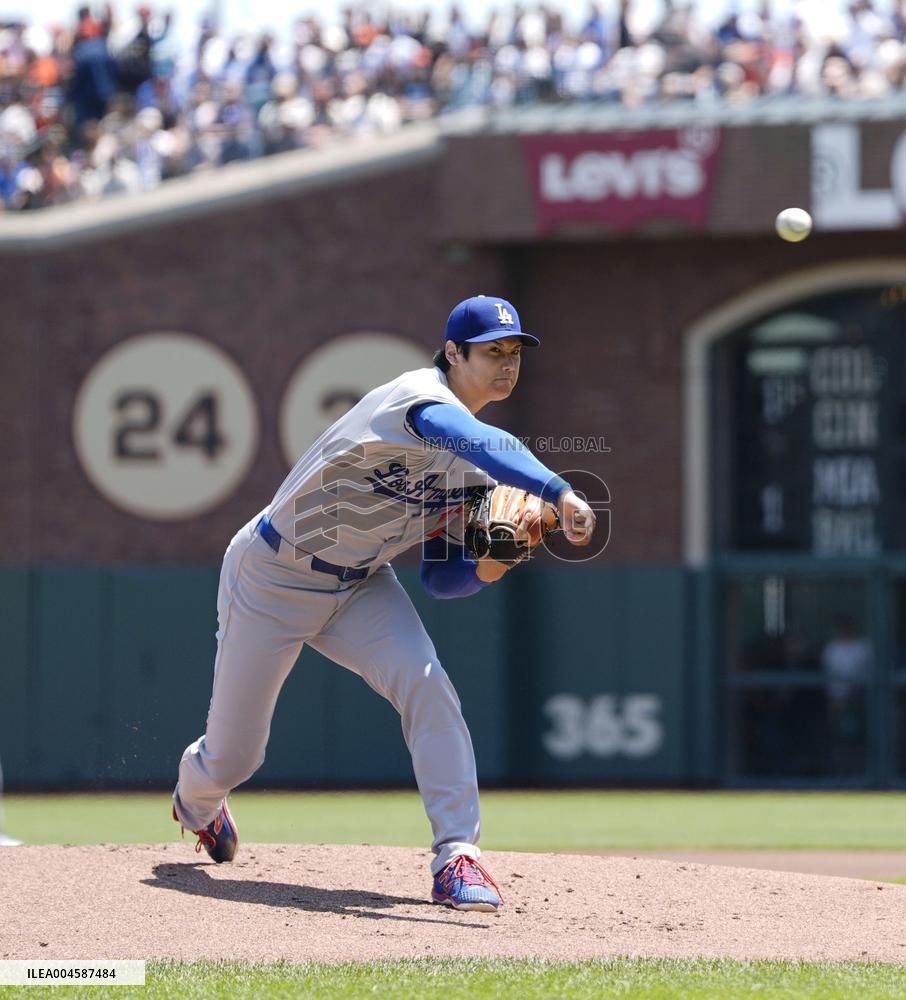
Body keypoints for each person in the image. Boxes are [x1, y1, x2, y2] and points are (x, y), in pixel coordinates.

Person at [171, 295, 596, 912]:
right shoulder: (417, 398)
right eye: (491, 351)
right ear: (452, 353)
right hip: (273, 573)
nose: (506, 364)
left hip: (358, 585)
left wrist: (491, 563)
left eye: (514, 353)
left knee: (426, 683)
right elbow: (469, 435)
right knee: (237, 755)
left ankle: (457, 855)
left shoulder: (478, 476)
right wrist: (559, 489)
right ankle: (197, 800)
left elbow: (441, 581)